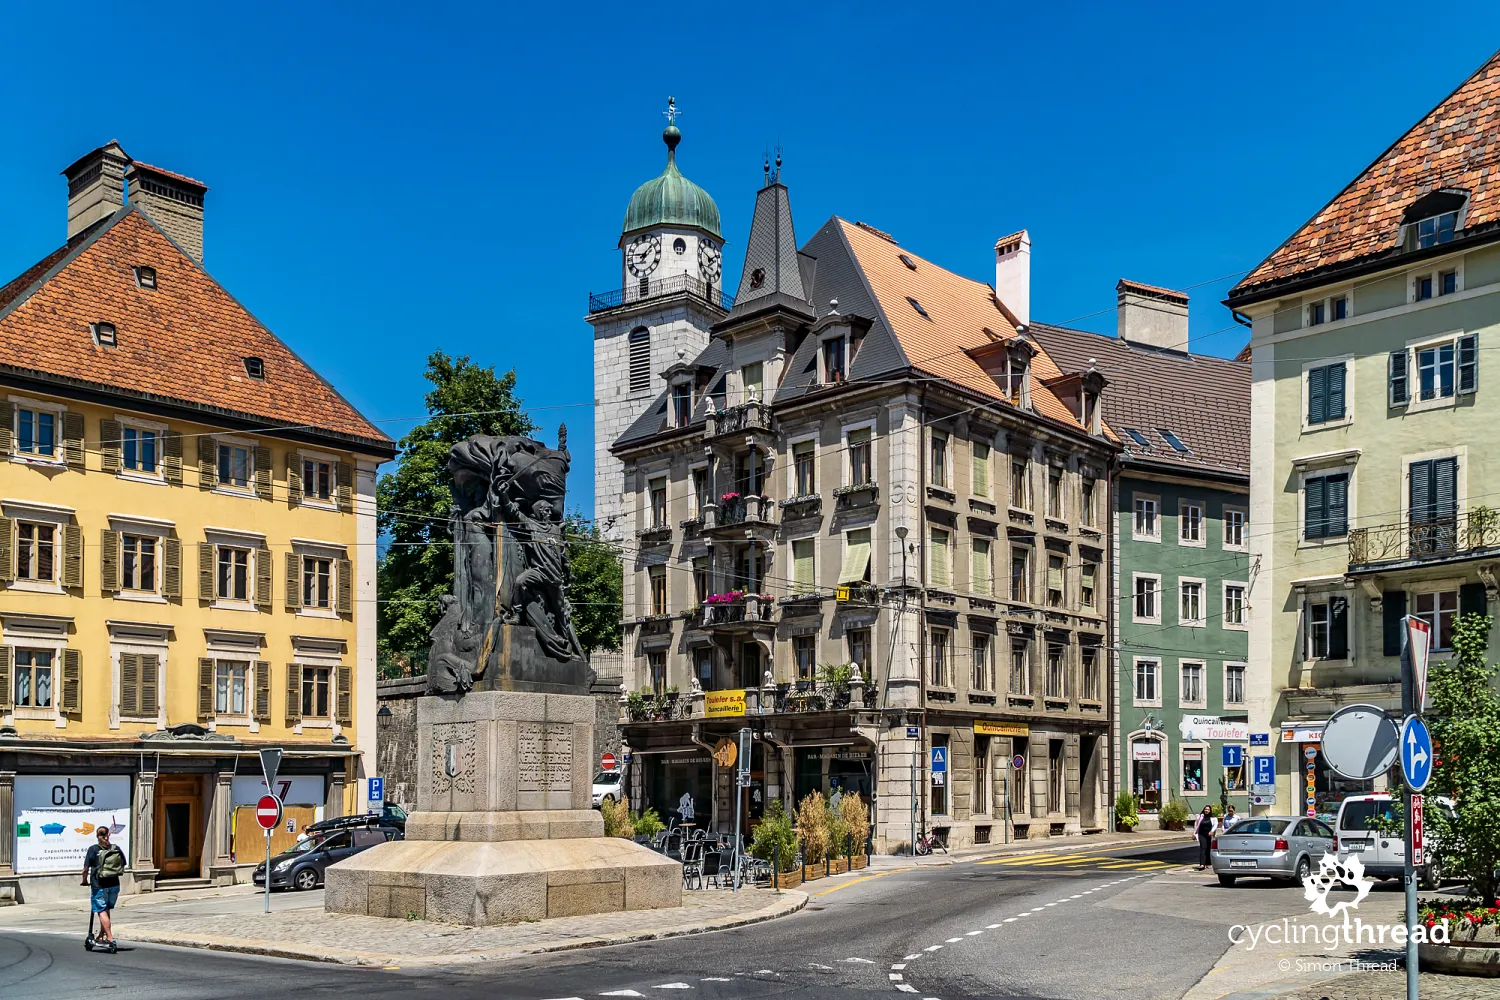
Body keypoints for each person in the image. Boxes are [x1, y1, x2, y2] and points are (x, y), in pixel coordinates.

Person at [82, 826, 126, 952]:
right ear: (108, 836)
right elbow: (122, 864)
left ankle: (111, 938)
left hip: (99, 885)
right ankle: (101, 936)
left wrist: (84, 881)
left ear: (98, 836)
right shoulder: (115, 848)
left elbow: (85, 869)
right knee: (106, 910)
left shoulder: (93, 849)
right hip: (114, 885)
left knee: (101, 910)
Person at [1193, 805, 1218, 871]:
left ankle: (1208, 863)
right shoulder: (1200, 817)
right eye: (1205, 809)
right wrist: (1194, 834)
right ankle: (1202, 864)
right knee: (1203, 848)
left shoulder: (1213, 818)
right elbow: (1196, 825)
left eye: (1207, 809)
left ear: (1210, 810)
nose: (1206, 811)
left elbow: (1215, 825)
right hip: (1201, 834)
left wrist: (1212, 831)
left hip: (1209, 835)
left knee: (1208, 848)